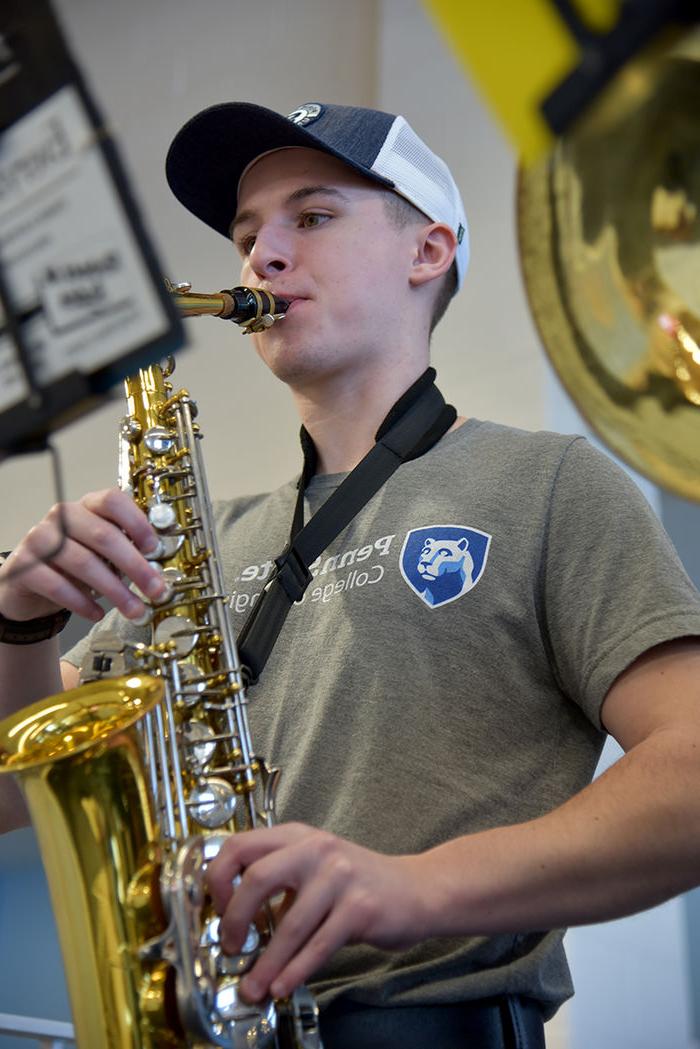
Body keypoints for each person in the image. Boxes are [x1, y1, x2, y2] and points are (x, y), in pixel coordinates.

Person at [2, 100, 700, 1049]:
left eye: (313, 217)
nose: (262, 257)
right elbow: (15, 792)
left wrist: (412, 886)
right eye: (248, 235)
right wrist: (20, 620)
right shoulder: (189, 543)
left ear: (429, 251)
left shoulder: (549, 483)